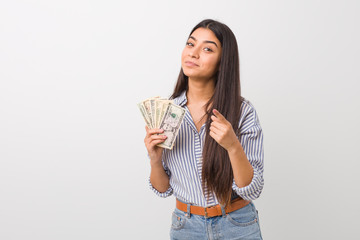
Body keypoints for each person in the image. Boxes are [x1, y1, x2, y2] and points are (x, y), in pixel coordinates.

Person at [144, 19, 264, 240]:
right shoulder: (166, 112)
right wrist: (154, 159)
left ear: (222, 62)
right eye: (191, 44)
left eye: (207, 48)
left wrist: (233, 147)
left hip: (238, 225)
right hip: (186, 227)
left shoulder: (242, 111)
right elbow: (163, 189)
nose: (194, 53)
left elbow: (253, 189)